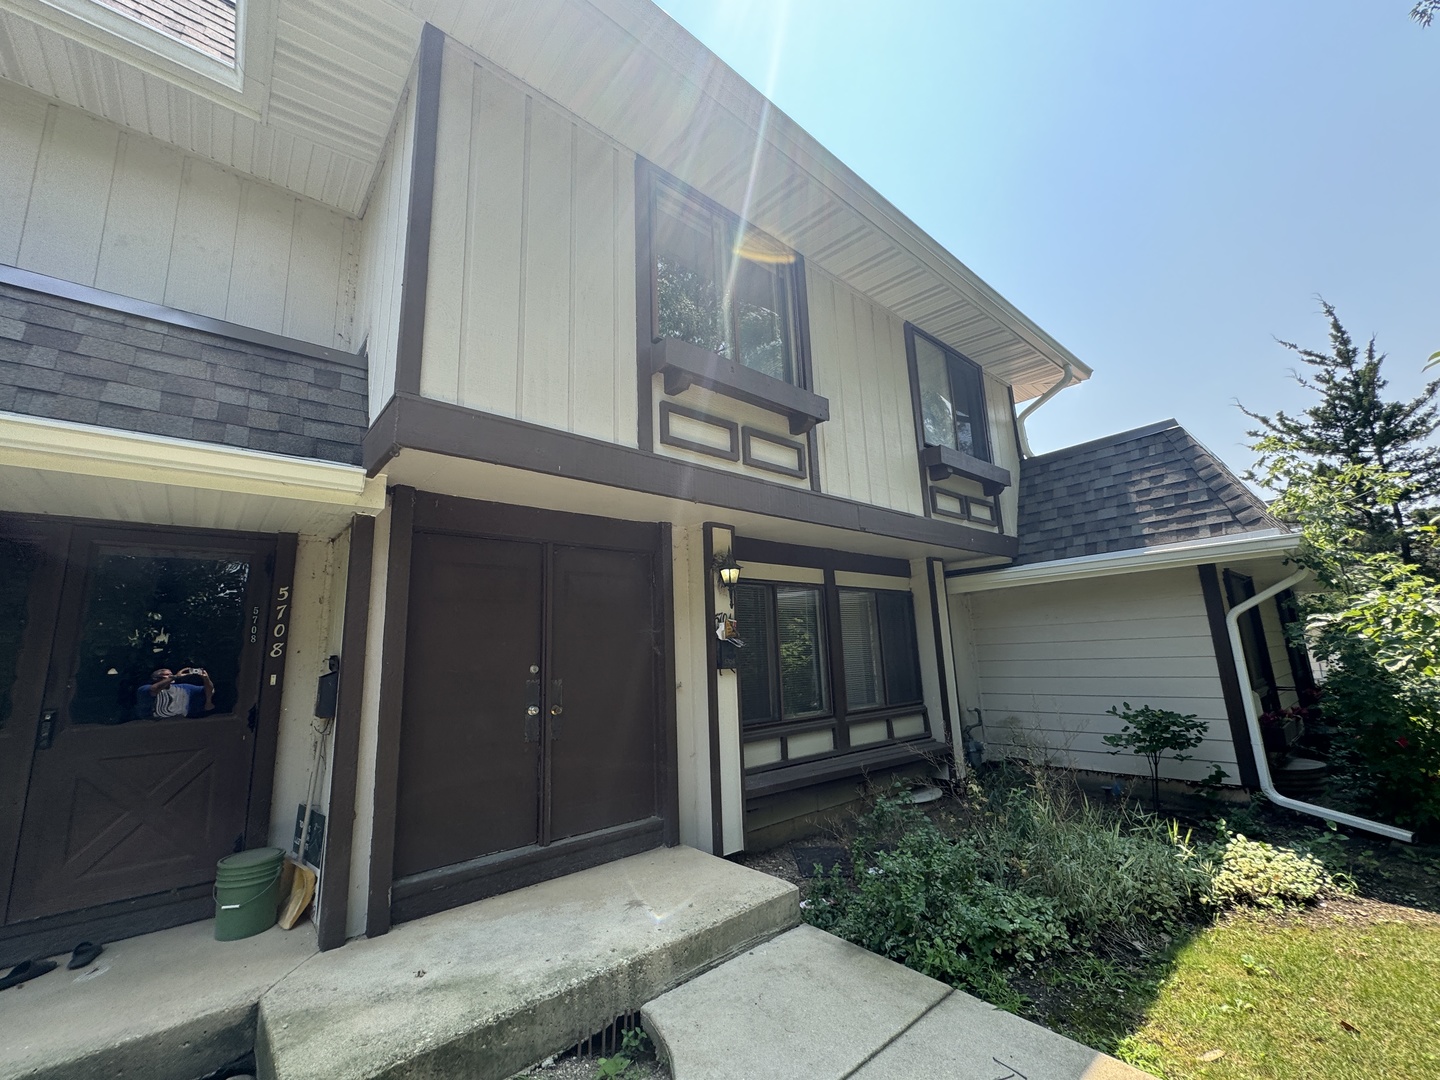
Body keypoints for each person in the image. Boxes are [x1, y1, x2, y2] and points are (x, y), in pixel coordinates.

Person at [136, 666, 214, 719]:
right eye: (167, 675)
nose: (171, 676)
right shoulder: (144, 689)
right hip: (156, 724)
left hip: (181, 722)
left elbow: (209, 690)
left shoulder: (183, 687)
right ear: (156, 678)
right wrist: (175, 676)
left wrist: (206, 679)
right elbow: (154, 689)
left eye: (171, 674)